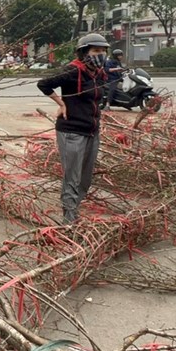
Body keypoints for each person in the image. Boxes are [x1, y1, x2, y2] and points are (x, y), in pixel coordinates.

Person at [37, 33, 109, 223]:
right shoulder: (72, 71)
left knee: (85, 178)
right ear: (84, 52)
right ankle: (69, 219)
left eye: (103, 50)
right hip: (71, 131)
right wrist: (61, 103)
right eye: (95, 50)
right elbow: (43, 84)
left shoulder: (98, 73)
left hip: (92, 131)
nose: (100, 54)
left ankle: (74, 208)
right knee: (72, 177)